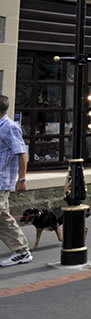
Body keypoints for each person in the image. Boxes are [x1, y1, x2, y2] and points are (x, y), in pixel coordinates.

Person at [0, 95, 32, 267]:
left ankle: (22, 252)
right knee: (2, 218)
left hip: (1, 182)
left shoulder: (10, 127)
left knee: (3, 218)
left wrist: (22, 179)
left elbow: (21, 153)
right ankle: (21, 251)